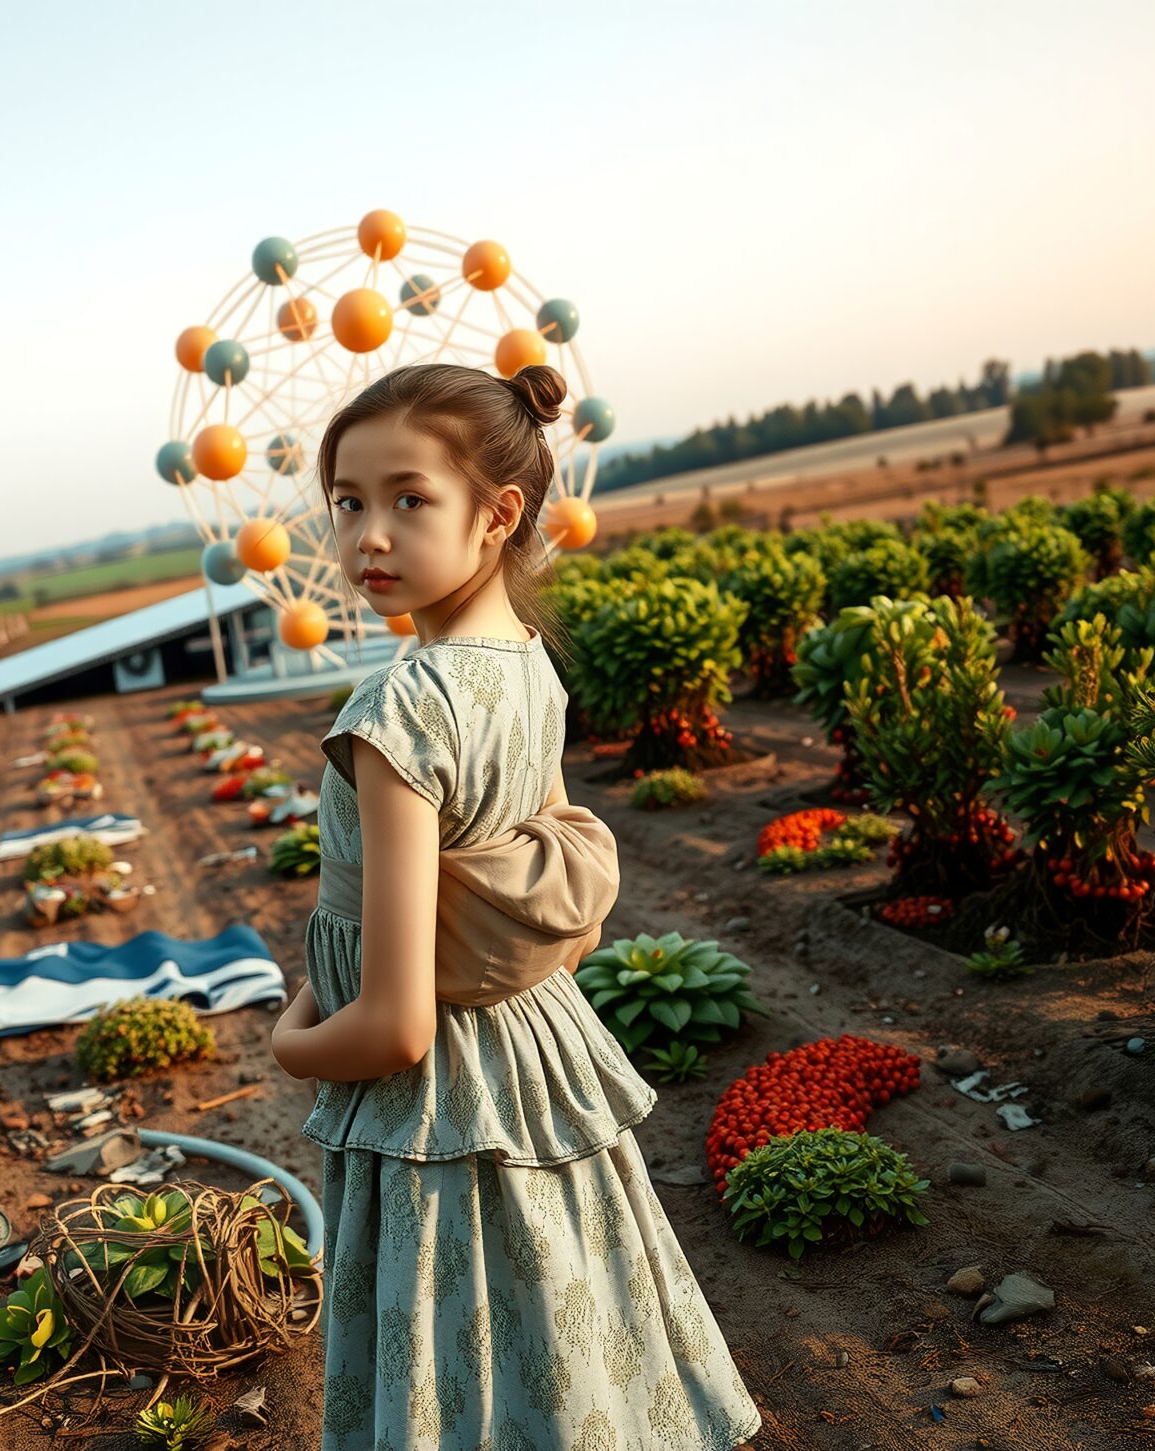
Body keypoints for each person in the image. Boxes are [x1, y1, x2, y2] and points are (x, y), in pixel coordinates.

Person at [269, 362, 763, 1448]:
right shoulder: (527, 668)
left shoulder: (400, 709)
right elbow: (539, 904)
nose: (367, 536)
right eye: (347, 502)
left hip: (433, 1107)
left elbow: (396, 1025)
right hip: (534, 1060)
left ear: (497, 515)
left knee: (452, 1371)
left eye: (409, 498)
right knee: (565, 1339)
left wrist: (291, 1041)